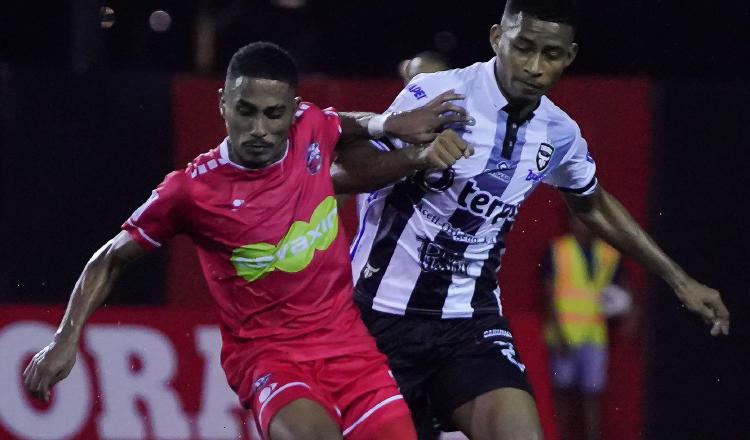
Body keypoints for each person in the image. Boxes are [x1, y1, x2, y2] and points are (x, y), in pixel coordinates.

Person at [22, 42, 474, 440]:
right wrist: (65, 338)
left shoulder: (309, 126)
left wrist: (386, 126)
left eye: (273, 114)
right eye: (246, 111)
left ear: (291, 110)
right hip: (269, 360)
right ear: (223, 104)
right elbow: (111, 260)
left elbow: (338, 123)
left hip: (351, 352)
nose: (259, 127)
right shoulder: (190, 191)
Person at [332, 1, 731, 439]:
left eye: (551, 54)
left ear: (570, 56)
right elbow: (339, 175)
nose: (535, 67)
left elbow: (592, 204)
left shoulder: (558, 132)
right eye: (523, 47)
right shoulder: (439, 94)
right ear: (497, 38)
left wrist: (679, 280)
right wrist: (413, 157)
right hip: (377, 317)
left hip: (470, 322)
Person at [542, 215, 632, 440]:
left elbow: (625, 288)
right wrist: (558, 332)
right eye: (576, 220)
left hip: (594, 334)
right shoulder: (559, 250)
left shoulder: (608, 252)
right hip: (565, 334)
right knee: (563, 393)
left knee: (592, 394)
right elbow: (548, 294)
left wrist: (630, 311)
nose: (580, 225)